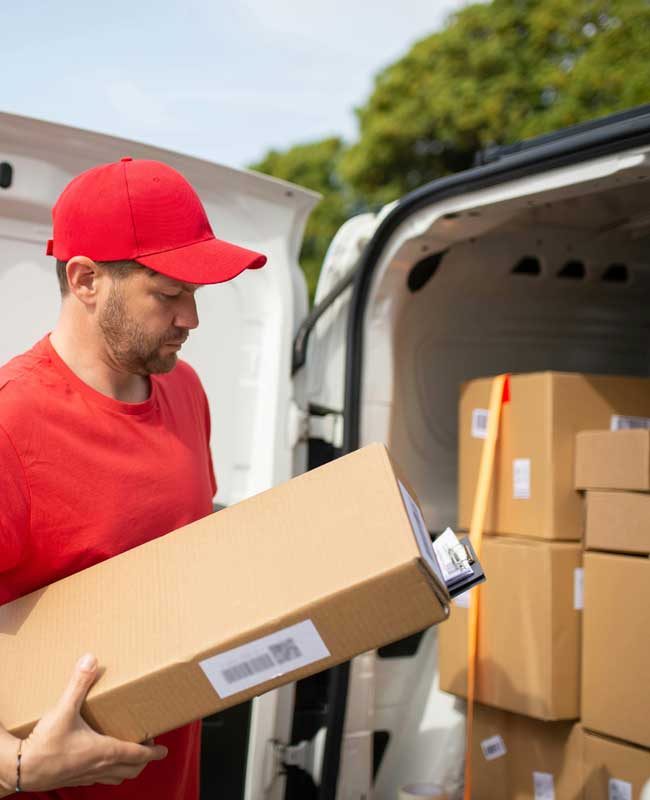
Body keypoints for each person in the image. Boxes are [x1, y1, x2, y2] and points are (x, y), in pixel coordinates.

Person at [0, 157, 267, 798]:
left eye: (196, 295)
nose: (191, 319)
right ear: (87, 280)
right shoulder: (13, 422)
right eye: (169, 293)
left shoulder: (185, 393)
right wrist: (16, 768)